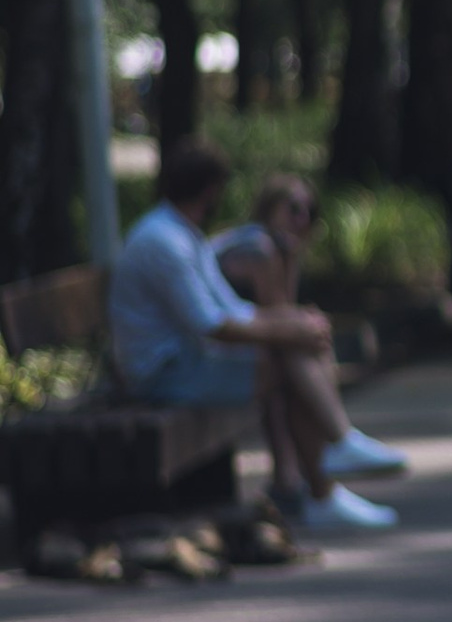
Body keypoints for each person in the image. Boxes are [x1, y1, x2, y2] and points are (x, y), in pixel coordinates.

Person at [108, 142, 401, 533]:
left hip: (183, 362)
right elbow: (212, 325)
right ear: (211, 190)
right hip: (161, 375)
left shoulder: (181, 233)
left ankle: (324, 473)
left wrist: (292, 321)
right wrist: (286, 328)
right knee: (284, 355)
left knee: (294, 341)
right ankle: (330, 465)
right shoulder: (165, 242)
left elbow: (230, 309)